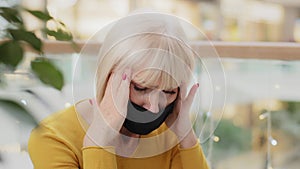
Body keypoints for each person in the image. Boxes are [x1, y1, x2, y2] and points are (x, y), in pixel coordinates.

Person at [28, 12, 209, 169]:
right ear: (109, 76)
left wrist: (187, 139)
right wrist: (98, 142)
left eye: (169, 92)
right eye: (141, 88)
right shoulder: (54, 137)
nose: (154, 108)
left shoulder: (170, 135)